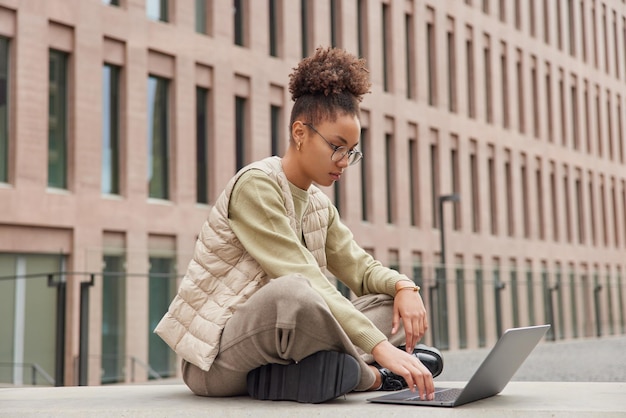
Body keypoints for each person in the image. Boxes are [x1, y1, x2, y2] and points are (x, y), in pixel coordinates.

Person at [155, 46, 443, 404]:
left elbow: (361, 268)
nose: (344, 162)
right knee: (295, 291)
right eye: (337, 147)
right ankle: (370, 376)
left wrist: (404, 288)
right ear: (300, 132)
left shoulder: (319, 206)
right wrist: (381, 348)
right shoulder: (256, 185)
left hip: (282, 350)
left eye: (352, 151)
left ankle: (315, 374)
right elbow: (300, 276)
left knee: (387, 303)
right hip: (217, 361)